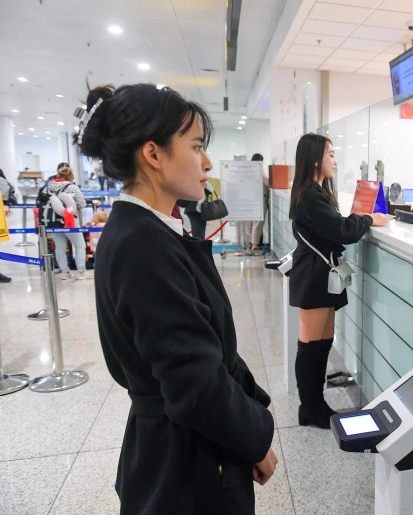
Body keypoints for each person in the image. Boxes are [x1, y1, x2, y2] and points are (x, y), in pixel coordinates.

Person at [75, 83, 277, 514]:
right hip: (184, 465)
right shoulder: (142, 245)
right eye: (197, 146)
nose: (206, 162)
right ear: (154, 155)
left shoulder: (150, 230)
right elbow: (195, 384)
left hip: (185, 445)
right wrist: (255, 441)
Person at [289, 133, 390, 428]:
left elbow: (336, 227)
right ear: (316, 159)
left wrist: (361, 217)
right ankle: (310, 408)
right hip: (313, 276)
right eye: (330, 154)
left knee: (322, 342)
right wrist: (369, 219)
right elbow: (343, 230)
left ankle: (316, 403)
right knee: (310, 345)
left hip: (322, 274)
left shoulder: (317, 191)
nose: (335, 159)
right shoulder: (309, 194)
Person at [47, 166, 88, 280]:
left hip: (54, 221)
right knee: (80, 245)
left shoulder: (49, 186)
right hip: (69, 219)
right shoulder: (72, 187)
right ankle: (80, 272)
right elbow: (82, 204)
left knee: (60, 247)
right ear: (70, 176)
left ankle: (65, 272)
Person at [248, 153, 268, 252]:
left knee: (252, 222)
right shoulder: (259, 169)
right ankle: (255, 244)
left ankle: (251, 242)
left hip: (252, 198)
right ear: (260, 160)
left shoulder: (250, 170)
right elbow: (268, 182)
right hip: (260, 199)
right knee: (258, 223)